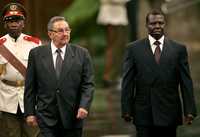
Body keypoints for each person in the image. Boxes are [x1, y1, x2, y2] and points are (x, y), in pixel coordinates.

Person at [121, 9, 197, 137]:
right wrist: (126, 110)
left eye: (160, 23)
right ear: (146, 25)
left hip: (170, 111)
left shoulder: (178, 49)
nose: (157, 26)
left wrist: (189, 110)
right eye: (153, 23)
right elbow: (128, 82)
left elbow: (186, 82)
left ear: (164, 24)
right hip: (144, 112)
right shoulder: (133, 49)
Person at [24, 16, 94, 137]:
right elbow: (30, 85)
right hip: (46, 117)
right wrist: (30, 113)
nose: (65, 33)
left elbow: (88, 84)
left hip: (73, 117)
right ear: (50, 34)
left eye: (67, 30)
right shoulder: (36, 54)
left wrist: (84, 106)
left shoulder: (82, 54)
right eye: (60, 31)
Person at [0, 2, 41, 137]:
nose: (13, 23)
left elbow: (42, 74)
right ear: (5, 24)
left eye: (17, 20)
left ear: (23, 23)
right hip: (6, 99)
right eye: (9, 20)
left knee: (32, 135)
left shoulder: (34, 44)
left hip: (30, 98)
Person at [97, 0, 129, 87]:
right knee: (113, 45)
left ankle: (112, 75)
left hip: (117, 13)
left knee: (118, 45)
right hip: (112, 13)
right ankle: (108, 76)